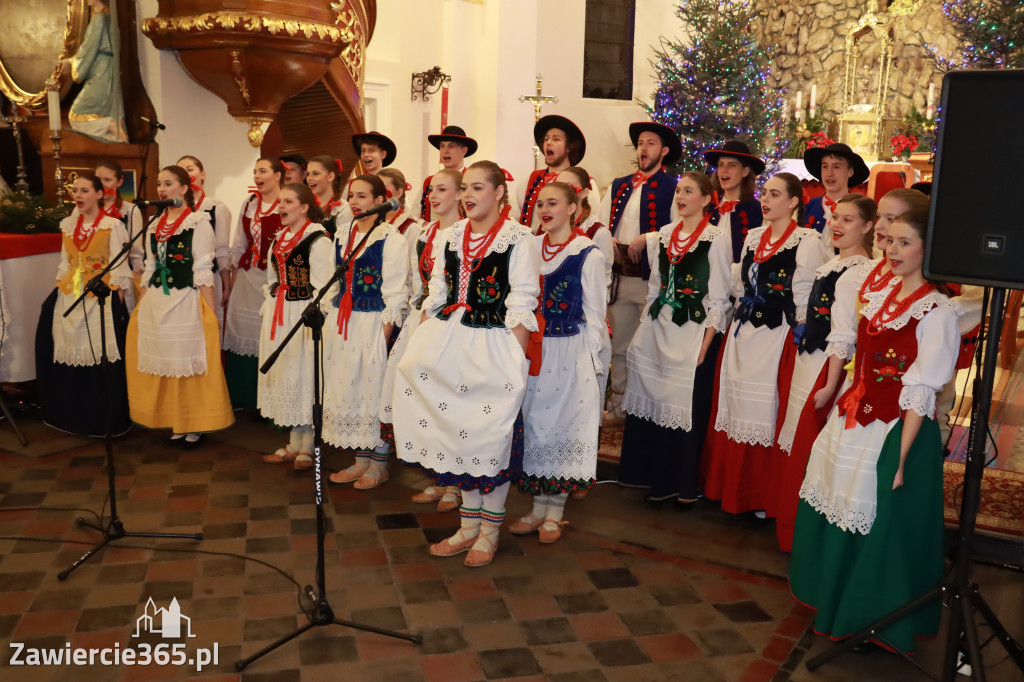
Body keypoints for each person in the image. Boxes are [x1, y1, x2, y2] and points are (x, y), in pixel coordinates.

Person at [790, 206, 961, 653]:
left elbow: (921, 393)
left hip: (894, 431)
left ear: (929, 249)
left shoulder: (938, 311)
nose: (893, 249)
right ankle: (834, 597)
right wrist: (835, 396)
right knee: (837, 507)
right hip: (853, 419)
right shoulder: (879, 297)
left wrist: (901, 461)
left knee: (878, 524)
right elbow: (858, 357)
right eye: (890, 241)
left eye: (905, 242)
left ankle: (870, 616)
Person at [392, 160, 540, 568]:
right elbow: (437, 292)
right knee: (459, 438)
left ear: (498, 193)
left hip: (493, 346)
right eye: (465, 189)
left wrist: (514, 363)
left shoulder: (519, 238)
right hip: (451, 342)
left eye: (478, 187)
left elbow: (522, 301)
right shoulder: (452, 235)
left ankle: (489, 532)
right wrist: (421, 343)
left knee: (489, 437)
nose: (468, 196)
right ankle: (467, 526)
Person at [702, 172, 827, 515]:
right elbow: (741, 285)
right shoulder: (754, 237)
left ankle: (759, 495)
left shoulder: (807, 240)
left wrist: (800, 331)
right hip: (744, 334)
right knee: (736, 406)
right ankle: (732, 489)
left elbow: (807, 295)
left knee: (767, 409)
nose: (766, 200)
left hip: (778, 335)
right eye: (764, 194)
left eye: (775, 194)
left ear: (793, 202)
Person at [618, 172, 732, 506]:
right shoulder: (664, 236)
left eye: (689, 191)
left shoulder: (715, 238)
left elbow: (719, 297)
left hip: (692, 331)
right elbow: (655, 288)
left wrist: (706, 343)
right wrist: (644, 329)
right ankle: (647, 473)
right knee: (650, 398)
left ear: (707, 199)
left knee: (682, 405)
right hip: (659, 328)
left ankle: (677, 480)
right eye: (679, 190)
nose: (680, 196)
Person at [773, 194, 875, 551]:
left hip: (827, 366)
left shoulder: (858, 272)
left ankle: (803, 530)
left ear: (867, 226)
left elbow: (845, 336)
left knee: (812, 444)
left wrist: (831, 384)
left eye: (848, 220)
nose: (837, 225)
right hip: (810, 360)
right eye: (835, 217)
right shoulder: (834, 264)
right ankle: (788, 518)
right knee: (795, 436)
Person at [509, 183, 609, 542]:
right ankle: (538, 507)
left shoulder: (588, 254)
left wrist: (594, 365)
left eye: (553, 203)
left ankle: (556, 511)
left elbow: (596, 315)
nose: (544, 210)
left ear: (573, 208)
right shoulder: (529, 248)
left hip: (570, 350)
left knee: (564, 425)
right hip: (535, 349)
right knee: (536, 423)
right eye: (539, 204)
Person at [125, 166, 234, 445]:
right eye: (159, 183)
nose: (161, 189)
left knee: (188, 361)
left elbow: (202, 270)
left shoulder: (198, 223)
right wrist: (143, 303)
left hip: (185, 299)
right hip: (157, 302)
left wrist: (210, 314)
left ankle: (194, 422)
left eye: (169, 183)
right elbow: (150, 267)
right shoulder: (154, 223)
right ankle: (176, 418)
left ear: (184, 188)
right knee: (167, 361)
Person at [381, 168, 464, 511]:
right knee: (427, 401)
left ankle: (456, 482)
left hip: (452, 324)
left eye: (442, 189)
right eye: (431, 189)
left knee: (450, 402)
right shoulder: (426, 233)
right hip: (423, 319)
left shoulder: (464, 234)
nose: (434, 195)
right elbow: (419, 284)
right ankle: (437, 476)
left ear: (459, 195)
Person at [323, 174, 409, 488]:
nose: (355, 202)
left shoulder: (392, 238)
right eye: (352, 196)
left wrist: (382, 339)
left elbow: (395, 294)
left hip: (374, 323)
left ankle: (379, 463)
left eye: (362, 196)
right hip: (343, 321)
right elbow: (333, 280)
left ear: (378, 201)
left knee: (373, 392)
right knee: (350, 390)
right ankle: (360, 459)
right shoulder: (343, 233)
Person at [35, 173, 133, 436]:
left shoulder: (112, 226)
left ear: (100, 194)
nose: (77, 195)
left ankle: (104, 419)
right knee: (64, 349)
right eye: (75, 190)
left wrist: (117, 309)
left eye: (84, 190)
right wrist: (59, 291)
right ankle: (70, 415)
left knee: (101, 358)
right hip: (70, 296)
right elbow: (65, 263)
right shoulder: (68, 225)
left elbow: (120, 270)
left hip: (100, 298)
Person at [599, 121, 682, 427]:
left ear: (664, 151)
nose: (643, 149)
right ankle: (620, 406)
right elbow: (599, 225)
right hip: (620, 279)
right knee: (619, 347)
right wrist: (605, 238)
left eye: (650, 144)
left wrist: (647, 239)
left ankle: (643, 410)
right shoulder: (619, 185)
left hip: (651, 283)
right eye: (640, 144)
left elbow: (680, 231)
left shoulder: (674, 188)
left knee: (646, 348)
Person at [258, 184, 334, 471]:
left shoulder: (317, 239)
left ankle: (309, 445)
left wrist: (314, 315)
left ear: (304, 207)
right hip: (280, 313)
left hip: (303, 316)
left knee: (304, 374)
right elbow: (271, 276)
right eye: (280, 201)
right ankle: (293, 442)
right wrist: (273, 297)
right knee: (287, 374)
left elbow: (326, 284)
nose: (281, 206)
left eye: (288, 201)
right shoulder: (279, 239)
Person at [224, 158, 285, 410]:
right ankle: (242, 394)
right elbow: (238, 244)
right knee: (241, 331)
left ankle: (266, 400)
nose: (257, 176)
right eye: (255, 172)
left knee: (266, 334)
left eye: (263, 171)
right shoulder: (249, 204)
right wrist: (231, 285)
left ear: (278, 175)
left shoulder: (286, 203)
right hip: (247, 278)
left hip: (271, 279)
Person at [60, 0, 128, 143]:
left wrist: (72, 63)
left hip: (100, 72)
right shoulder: (109, 17)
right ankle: (116, 137)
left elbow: (89, 48)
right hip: (108, 69)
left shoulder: (99, 19)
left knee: (77, 115)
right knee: (102, 112)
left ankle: (112, 125)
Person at [177, 155, 233, 327]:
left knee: (206, 322)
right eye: (182, 171)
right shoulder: (174, 209)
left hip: (209, 277)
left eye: (190, 169)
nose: (187, 174)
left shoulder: (216, 207)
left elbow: (222, 249)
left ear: (202, 174)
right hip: (181, 278)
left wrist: (226, 285)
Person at [518, 115, 601, 231]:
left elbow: (594, 221)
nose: (548, 143)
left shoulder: (586, 183)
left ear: (569, 147)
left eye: (556, 139)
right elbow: (514, 216)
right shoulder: (530, 180)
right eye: (546, 139)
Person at [702, 140, 766, 266]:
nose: (724, 170)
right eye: (720, 165)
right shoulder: (708, 207)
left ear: (745, 172)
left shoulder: (757, 211)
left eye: (731, 165)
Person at [95, 160, 144, 307]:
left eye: (107, 180)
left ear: (119, 182)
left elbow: (136, 253)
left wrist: (141, 288)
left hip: (119, 278)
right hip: (90, 274)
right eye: (98, 180)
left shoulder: (130, 210)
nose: (102, 184)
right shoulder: (85, 210)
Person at [557, 166, 613, 292]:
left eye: (567, 187)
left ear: (583, 193)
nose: (560, 193)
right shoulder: (550, 228)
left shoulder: (598, 233)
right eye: (558, 187)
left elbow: (601, 285)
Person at [802, 143, 870, 238]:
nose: (829, 173)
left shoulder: (860, 210)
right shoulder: (806, 207)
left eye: (836, 167)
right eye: (825, 166)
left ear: (850, 171)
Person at [417, 125, 476, 222]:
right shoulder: (430, 181)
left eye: (451, 146)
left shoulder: (472, 180)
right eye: (442, 146)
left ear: (464, 150)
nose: (445, 151)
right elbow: (416, 215)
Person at [306, 156, 353, 238]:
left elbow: (346, 245)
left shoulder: (343, 209)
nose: (309, 178)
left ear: (330, 176)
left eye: (315, 173)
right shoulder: (305, 207)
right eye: (308, 174)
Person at [347, 131, 396, 197]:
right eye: (363, 151)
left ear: (383, 154)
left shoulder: (393, 183)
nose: (366, 154)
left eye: (371, 150)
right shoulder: (352, 184)